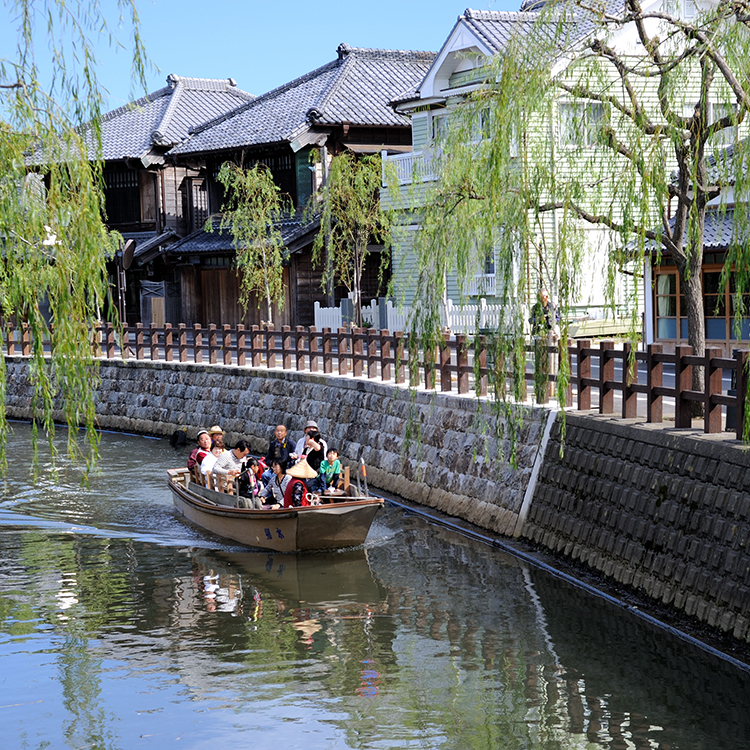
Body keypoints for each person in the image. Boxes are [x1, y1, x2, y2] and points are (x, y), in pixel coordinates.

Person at [299, 428, 327, 493]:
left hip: (315, 475)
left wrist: (311, 440)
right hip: (305, 474)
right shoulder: (306, 449)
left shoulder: (319, 448)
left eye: (307, 436)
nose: (305, 438)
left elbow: (318, 448)